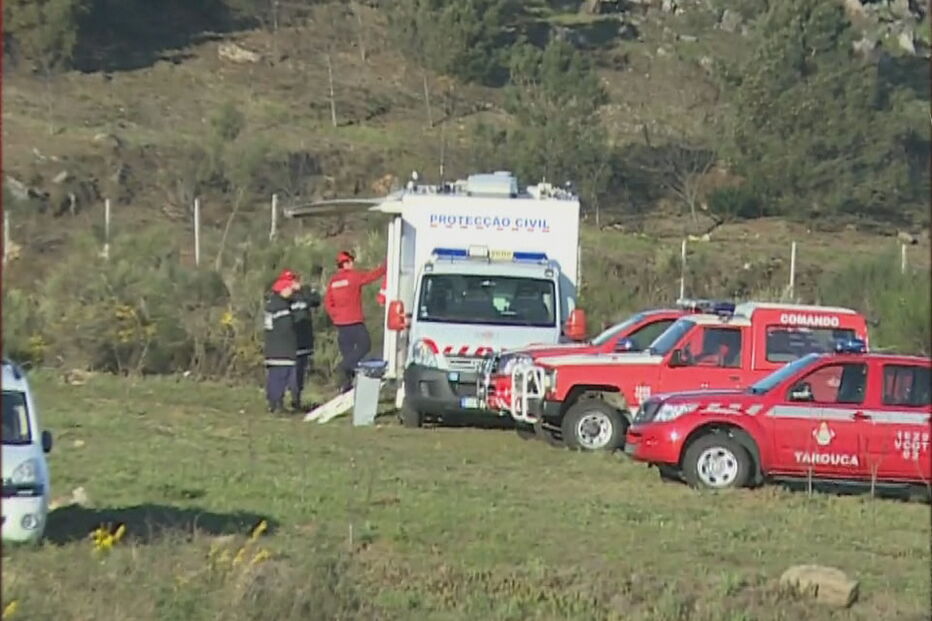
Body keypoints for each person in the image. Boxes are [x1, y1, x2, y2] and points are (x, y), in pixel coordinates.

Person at [324, 251, 386, 393]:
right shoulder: (353, 277)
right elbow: (371, 276)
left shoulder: (333, 281)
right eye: (351, 262)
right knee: (364, 345)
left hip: (340, 324)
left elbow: (328, 302)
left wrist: (335, 316)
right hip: (354, 321)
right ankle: (343, 367)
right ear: (347, 263)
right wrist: (384, 268)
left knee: (348, 354)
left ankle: (346, 386)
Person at [263, 269, 299, 414]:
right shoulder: (282, 307)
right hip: (282, 349)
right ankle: (278, 404)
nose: (291, 291)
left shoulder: (271, 304)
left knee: (274, 378)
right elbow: (286, 327)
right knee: (281, 378)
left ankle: (273, 403)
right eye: (289, 288)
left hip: (272, 347)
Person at [289, 271, 322, 411]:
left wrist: (304, 291)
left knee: (301, 370)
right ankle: (293, 398)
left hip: (305, 339)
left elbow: (317, 300)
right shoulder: (284, 298)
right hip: (291, 341)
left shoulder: (305, 293)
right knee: (293, 370)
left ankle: (297, 398)